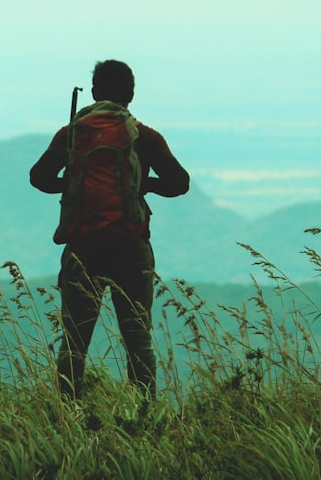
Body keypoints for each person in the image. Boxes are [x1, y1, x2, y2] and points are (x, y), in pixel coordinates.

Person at [29, 60, 190, 400]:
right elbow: (180, 183)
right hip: (130, 246)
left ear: (95, 92)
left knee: (74, 340)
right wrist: (141, 185)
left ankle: (65, 415)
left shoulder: (72, 133)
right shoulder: (143, 136)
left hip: (83, 246)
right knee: (137, 338)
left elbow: (38, 177)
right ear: (130, 94)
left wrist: (73, 184)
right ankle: (145, 413)